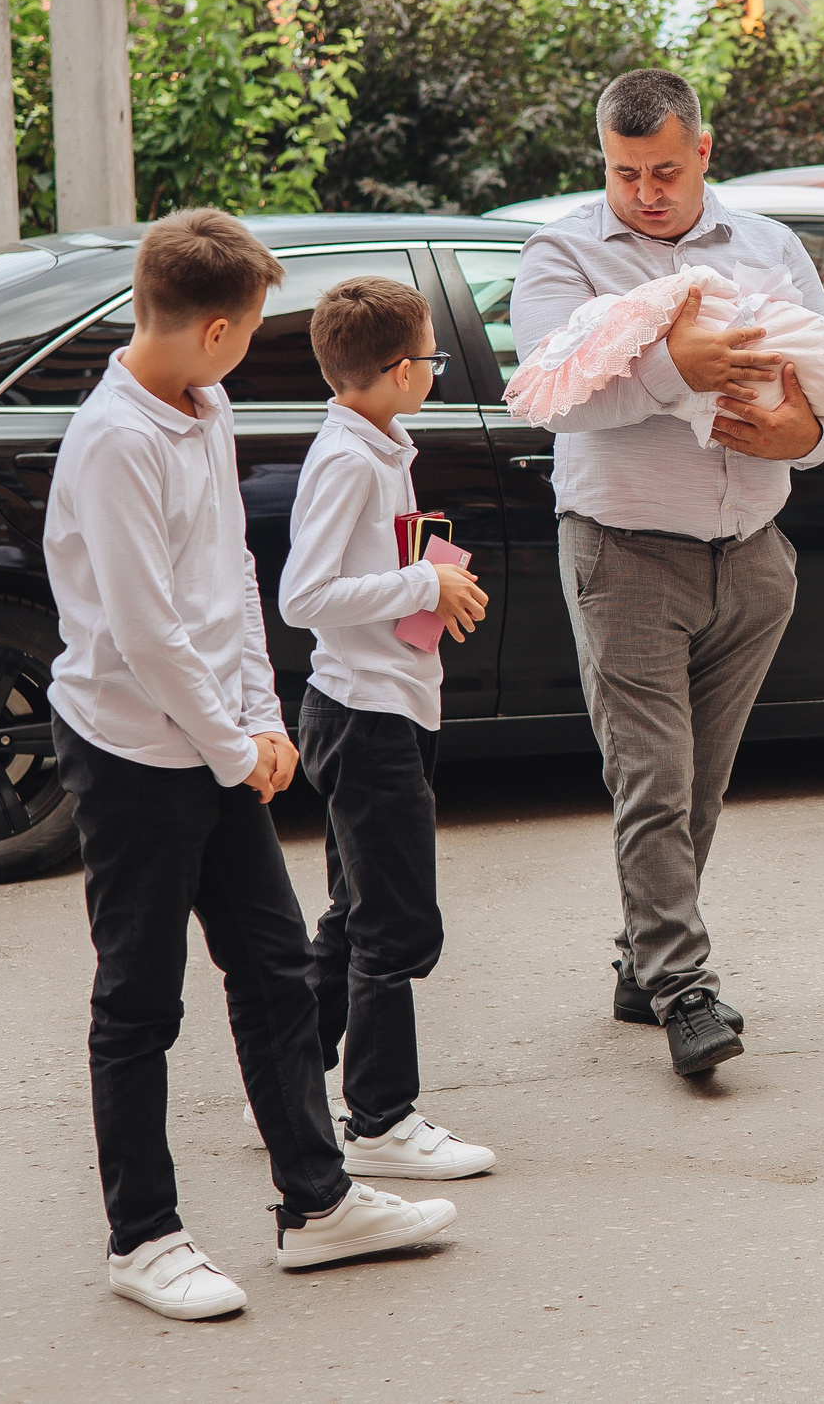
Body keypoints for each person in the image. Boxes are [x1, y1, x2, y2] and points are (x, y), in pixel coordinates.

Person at [48, 209, 458, 1320]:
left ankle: (316, 1204)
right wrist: (235, 745)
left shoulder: (204, 402)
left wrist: (261, 720)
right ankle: (143, 1237)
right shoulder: (116, 438)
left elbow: (227, 572)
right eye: (254, 326)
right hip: (133, 751)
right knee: (139, 1004)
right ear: (218, 327)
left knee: (275, 971)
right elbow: (143, 630)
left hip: (219, 743)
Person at [510, 68, 824, 1079]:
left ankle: (642, 961)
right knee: (652, 783)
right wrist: (676, 372)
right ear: (601, 162)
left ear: (703, 150)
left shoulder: (770, 248)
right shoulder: (561, 253)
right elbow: (551, 395)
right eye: (625, 174)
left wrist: (806, 433)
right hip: (624, 556)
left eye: (664, 169)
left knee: (698, 784)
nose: (646, 191)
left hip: (753, 556)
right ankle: (686, 989)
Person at [271, 275, 496, 1180]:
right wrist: (421, 585)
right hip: (362, 713)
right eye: (434, 359)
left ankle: (290, 1089)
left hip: (387, 702)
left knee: (357, 911)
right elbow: (303, 594)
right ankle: (381, 1117)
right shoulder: (348, 460)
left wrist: (428, 584)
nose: (436, 371)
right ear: (400, 371)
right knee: (397, 925)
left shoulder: (381, 445)